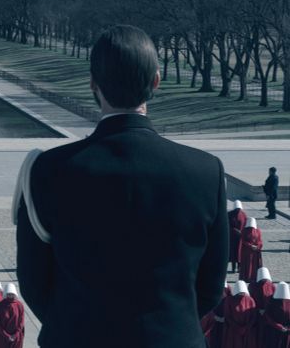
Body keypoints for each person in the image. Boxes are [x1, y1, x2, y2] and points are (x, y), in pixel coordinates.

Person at [16, 24, 228, 347]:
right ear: (156, 81)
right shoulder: (206, 172)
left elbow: (33, 282)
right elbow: (211, 286)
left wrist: (78, 326)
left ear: (93, 84)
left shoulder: (46, 169)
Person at [220, 280, 256, 348]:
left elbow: (253, 316)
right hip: (235, 330)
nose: (242, 295)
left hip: (244, 330)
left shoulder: (250, 300)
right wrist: (239, 327)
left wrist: (246, 327)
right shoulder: (230, 300)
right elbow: (227, 315)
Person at [0, 284, 24, 348]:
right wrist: (6, 335)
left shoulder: (19, 305)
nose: (10, 296)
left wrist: (16, 334)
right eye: (9, 294)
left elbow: (21, 320)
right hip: (2, 336)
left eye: (12, 294)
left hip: (16, 335)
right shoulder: (0, 305)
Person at [261, 281, 290, 347]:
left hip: (285, 331)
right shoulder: (271, 301)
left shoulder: (272, 301)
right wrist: (279, 326)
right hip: (274, 331)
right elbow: (268, 316)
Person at [239, 217, 264, 283]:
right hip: (247, 251)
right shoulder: (244, 230)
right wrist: (250, 246)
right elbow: (243, 241)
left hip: (255, 251)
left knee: (254, 264)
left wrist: (257, 246)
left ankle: (254, 277)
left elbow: (260, 240)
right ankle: (246, 277)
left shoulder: (257, 230)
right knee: (247, 265)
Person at [229, 200, 248, 273]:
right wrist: (234, 230)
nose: (238, 210)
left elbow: (246, 224)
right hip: (232, 237)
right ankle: (233, 268)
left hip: (241, 237)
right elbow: (227, 225)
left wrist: (243, 232)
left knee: (240, 253)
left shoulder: (243, 215)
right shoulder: (229, 214)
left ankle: (239, 267)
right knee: (233, 252)